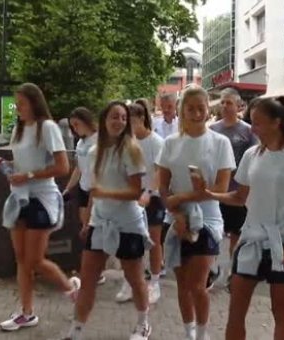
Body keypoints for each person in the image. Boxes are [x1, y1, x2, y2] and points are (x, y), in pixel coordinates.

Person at [205, 97, 284, 340]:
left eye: (258, 123)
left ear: (276, 123)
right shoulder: (251, 155)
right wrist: (208, 194)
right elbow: (240, 197)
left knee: (280, 310)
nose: (253, 129)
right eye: (252, 123)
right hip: (251, 240)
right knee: (235, 311)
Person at [0, 83, 81, 331]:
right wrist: (5, 164)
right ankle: (26, 312)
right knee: (21, 259)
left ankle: (69, 287)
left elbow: (63, 166)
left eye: (21, 103)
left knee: (34, 259)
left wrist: (29, 175)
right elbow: (21, 162)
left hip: (42, 198)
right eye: (16, 103)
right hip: (20, 197)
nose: (17, 107)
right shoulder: (19, 130)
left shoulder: (47, 128)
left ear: (34, 102)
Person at [65, 101, 152, 340]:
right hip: (100, 222)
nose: (119, 122)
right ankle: (77, 329)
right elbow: (94, 190)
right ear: (104, 120)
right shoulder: (94, 152)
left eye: (123, 118)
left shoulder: (132, 149)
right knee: (88, 278)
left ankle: (143, 323)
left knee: (134, 278)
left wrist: (106, 194)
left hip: (127, 223)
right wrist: (87, 223)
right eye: (115, 117)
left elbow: (136, 192)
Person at [156, 86, 235, 340]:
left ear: (208, 109)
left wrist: (183, 197)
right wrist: (176, 209)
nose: (196, 113)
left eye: (201, 108)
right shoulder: (170, 143)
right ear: (182, 110)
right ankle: (189, 332)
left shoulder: (220, 142)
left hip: (209, 218)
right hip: (175, 217)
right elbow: (162, 186)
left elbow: (221, 188)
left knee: (197, 285)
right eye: (190, 108)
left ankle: (202, 334)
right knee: (181, 285)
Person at [113, 101, 165, 305]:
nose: (127, 125)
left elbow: (160, 172)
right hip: (131, 198)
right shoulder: (126, 142)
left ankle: (155, 281)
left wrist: (149, 192)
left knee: (153, 240)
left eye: (130, 120)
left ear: (142, 119)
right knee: (129, 241)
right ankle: (130, 280)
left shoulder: (156, 142)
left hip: (152, 198)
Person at [209, 88, 258, 289]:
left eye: (229, 103)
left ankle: (232, 270)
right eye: (222, 102)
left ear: (238, 106)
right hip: (217, 191)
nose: (225, 106)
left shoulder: (248, 131)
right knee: (215, 231)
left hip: (239, 192)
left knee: (236, 234)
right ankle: (212, 269)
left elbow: (255, 158)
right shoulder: (212, 130)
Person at [63, 107, 106, 285]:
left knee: (92, 228)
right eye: (72, 126)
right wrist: (67, 189)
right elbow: (79, 169)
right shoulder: (80, 144)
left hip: (96, 190)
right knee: (85, 228)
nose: (74, 129)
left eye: (76, 124)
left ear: (86, 121)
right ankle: (90, 267)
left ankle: (96, 270)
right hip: (83, 188)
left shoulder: (98, 142)